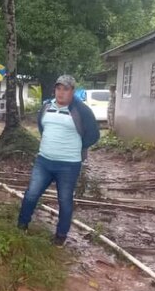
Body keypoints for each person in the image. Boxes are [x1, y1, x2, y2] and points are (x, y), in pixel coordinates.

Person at [17, 75, 100, 246]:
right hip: (44, 161)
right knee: (31, 194)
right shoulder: (46, 107)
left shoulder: (81, 110)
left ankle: (61, 236)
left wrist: (76, 147)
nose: (61, 93)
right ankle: (21, 226)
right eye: (58, 88)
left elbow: (93, 135)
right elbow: (42, 127)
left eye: (65, 89)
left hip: (69, 165)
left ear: (72, 92)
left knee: (64, 200)